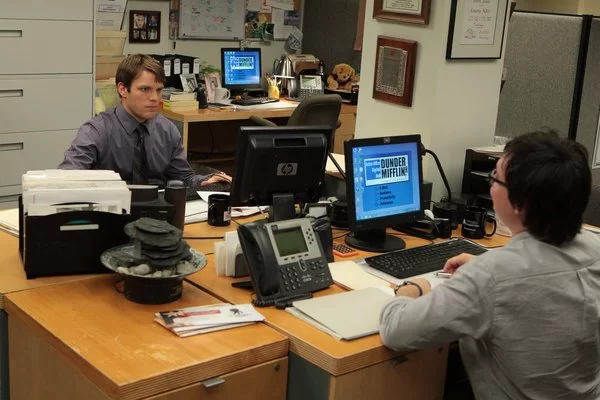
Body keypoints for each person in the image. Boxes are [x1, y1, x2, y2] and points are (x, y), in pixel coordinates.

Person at [379, 131, 600, 400]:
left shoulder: (490, 278)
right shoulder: (594, 249)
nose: (490, 185)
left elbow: (395, 331)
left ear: (520, 204)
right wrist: (489, 268)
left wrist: (411, 289)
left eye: (495, 177)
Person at [59, 54, 231, 187]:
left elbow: (184, 179)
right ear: (123, 89)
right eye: (145, 89)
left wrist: (207, 180)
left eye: (158, 90)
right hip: (111, 213)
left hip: (158, 214)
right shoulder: (96, 131)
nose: (155, 98)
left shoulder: (167, 130)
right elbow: (66, 178)